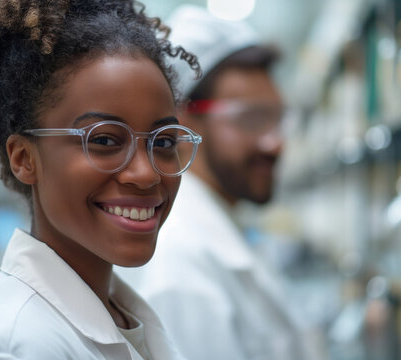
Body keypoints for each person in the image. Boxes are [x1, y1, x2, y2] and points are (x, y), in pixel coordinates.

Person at [0, 0, 202, 359]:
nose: (146, 174)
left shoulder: (119, 316)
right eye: (103, 140)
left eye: (163, 142)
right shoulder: (11, 347)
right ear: (25, 159)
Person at [118, 5, 307, 360]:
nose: (275, 142)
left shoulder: (221, 230)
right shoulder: (179, 268)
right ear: (184, 121)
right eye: (251, 119)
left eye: (277, 118)